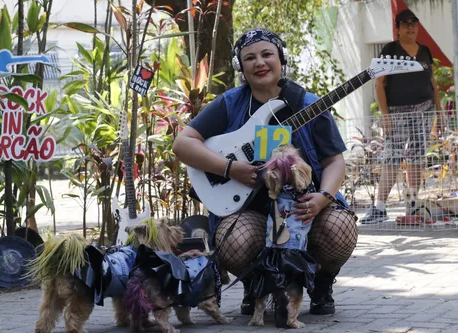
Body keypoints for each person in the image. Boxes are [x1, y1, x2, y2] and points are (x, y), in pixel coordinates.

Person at [172, 28, 358, 316]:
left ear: (281, 60)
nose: (259, 62)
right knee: (234, 241)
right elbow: (182, 144)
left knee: (339, 229)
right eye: (250, 58)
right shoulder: (230, 103)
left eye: (267, 54)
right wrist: (230, 168)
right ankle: (254, 284)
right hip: (250, 210)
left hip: (303, 207)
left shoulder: (309, 104)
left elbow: (335, 161)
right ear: (240, 67)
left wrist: (322, 197)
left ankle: (322, 283)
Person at [361, 9, 444, 224]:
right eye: (405, 23)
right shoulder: (390, 49)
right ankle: (379, 208)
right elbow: (379, 83)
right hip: (397, 114)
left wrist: (440, 111)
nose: (410, 27)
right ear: (397, 28)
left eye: (414, 23)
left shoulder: (425, 51)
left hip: (424, 112)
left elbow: (433, 83)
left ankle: (413, 204)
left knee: (417, 157)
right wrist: (386, 117)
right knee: (392, 158)